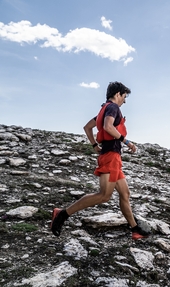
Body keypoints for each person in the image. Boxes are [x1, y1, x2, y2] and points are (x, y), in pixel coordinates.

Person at [50, 81, 151, 240]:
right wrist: (127, 141)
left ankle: (135, 229)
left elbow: (87, 127)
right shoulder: (113, 108)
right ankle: (62, 214)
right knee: (104, 195)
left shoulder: (103, 109)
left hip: (112, 156)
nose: (124, 101)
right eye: (124, 97)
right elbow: (109, 127)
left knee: (125, 193)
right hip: (111, 156)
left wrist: (94, 145)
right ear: (118, 94)